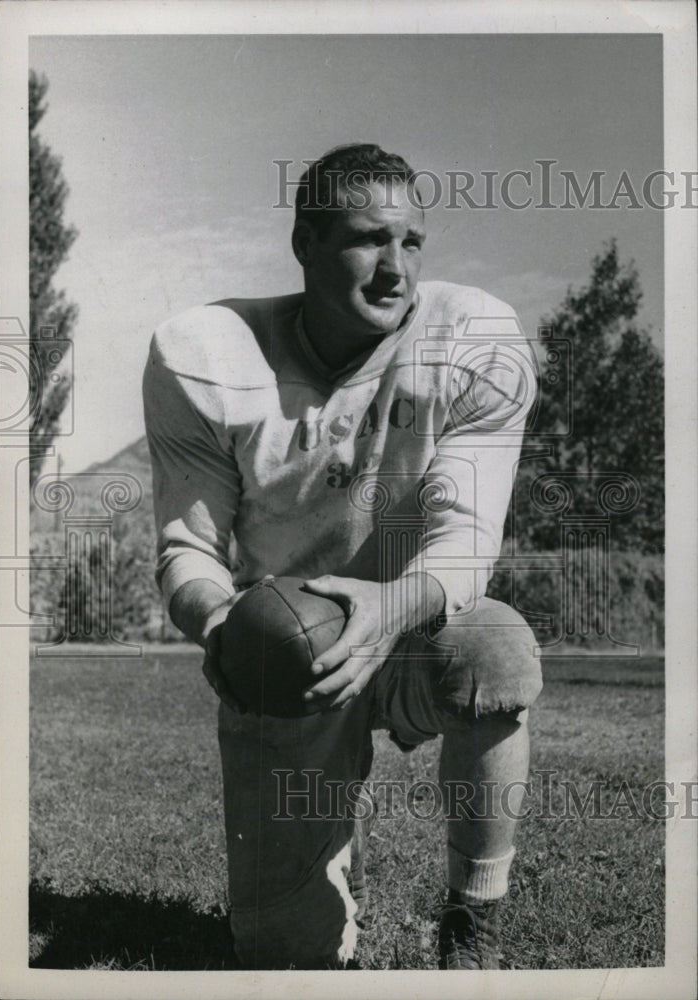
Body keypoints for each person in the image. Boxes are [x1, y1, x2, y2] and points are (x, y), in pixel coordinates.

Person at [143, 143, 543, 971]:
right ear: (306, 244)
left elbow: (463, 544)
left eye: (412, 241)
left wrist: (384, 611)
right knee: (289, 962)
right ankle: (319, 868)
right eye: (368, 239)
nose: (397, 268)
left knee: (494, 649)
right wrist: (223, 625)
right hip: (291, 655)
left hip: (408, 626)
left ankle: (475, 920)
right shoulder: (205, 351)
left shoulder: (474, 338)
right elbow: (189, 548)